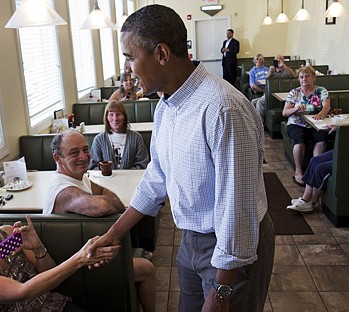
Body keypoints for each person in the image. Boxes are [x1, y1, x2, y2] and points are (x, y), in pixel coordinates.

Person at [87, 5, 275, 312]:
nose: (128, 70)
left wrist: (221, 291)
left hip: (233, 249)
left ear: (161, 54)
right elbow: (156, 178)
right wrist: (112, 234)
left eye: (130, 57)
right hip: (191, 240)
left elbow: (236, 209)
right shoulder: (166, 104)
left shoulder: (223, 108)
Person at [0, 190, 119, 312]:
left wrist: (38, 248)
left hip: (54, 306)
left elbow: (47, 273)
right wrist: (79, 258)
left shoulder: (6, 234)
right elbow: (22, 291)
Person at [43, 129, 156, 312]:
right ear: (58, 158)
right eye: (74, 152)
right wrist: (112, 203)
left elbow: (107, 196)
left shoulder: (78, 178)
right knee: (147, 269)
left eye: (85, 150)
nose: (83, 156)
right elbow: (102, 206)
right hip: (72, 268)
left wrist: (111, 203)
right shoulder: (64, 190)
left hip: (85, 255)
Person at [282, 66, 331, 187]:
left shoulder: (321, 90)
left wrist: (321, 114)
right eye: (301, 77)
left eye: (307, 76)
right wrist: (296, 108)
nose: (304, 79)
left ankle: (315, 169)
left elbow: (327, 107)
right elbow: (285, 112)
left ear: (313, 77)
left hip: (315, 123)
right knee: (300, 140)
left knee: (321, 140)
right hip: (297, 123)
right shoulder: (294, 92)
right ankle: (298, 170)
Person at [89, 101, 149, 170]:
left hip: (131, 179)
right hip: (106, 179)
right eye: (111, 115)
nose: (115, 119)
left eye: (118, 114)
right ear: (106, 118)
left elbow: (143, 164)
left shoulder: (136, 138)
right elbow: (93, 166)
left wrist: (125, 175)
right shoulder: (99, 139)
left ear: (124, 117)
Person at [251, 54, 296, 120]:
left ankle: (260, 123)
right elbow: (266, 79)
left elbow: (294, 77)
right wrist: (270, 71)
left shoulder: (286, 70)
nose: (277, 60)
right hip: (269, 93)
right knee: (253, 102)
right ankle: (254, 121)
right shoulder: (272, 70)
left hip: (278, 94)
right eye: (276, 59)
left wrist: (284, 66)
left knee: (260, 102)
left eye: (279, 59)